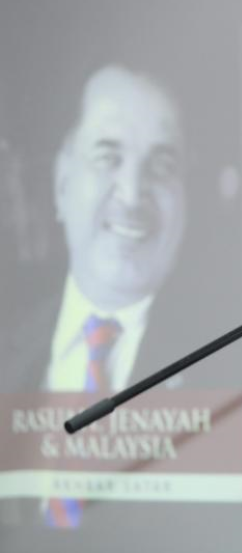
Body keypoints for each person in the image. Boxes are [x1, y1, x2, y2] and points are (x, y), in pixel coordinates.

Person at [4, 64, 189, 393]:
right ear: (62, 184)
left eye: (162, 166)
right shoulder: (10, 342)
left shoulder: (238, 351)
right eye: (108, 158)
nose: (131, 195)